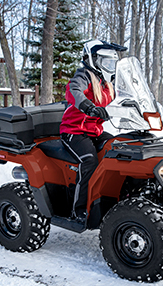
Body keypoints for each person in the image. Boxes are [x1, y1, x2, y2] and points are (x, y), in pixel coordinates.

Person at [60, 39, 127, 223]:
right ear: (93, 59)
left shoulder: (107, 83)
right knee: (89, 161)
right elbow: (73, 91)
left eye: (112, 63)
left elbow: (126, 97)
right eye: (106, 62)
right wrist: (88, 107)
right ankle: (79, 210)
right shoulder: (84, 76)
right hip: (74, 131)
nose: (109, 67)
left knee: (119, 149)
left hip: (94, 131)